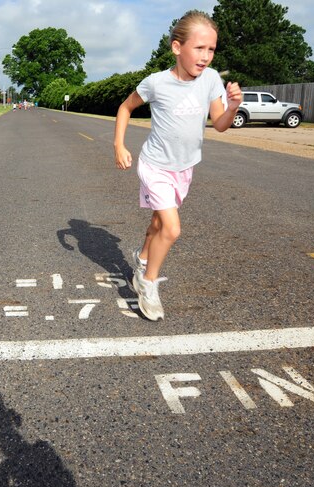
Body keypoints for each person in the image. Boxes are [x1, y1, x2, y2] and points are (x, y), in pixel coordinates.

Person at [114, 10, 243, 321]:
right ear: (177, 47)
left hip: (184, 168)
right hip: (155, 165)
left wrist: (234, 106)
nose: (206, 56)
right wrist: (119, 144)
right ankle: (147, 282)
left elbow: (221, 124)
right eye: (199, 48)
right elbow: (125, 107)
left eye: (211, 49)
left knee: (159, 224)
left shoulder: (211, 79)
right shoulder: (156, 83)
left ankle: (143, 257)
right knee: (171, 229)